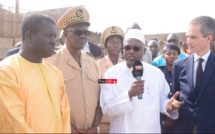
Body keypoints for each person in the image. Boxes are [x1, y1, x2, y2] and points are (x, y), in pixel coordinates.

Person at [100, 29, 184, 133]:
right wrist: (129, 95)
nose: (131, 51)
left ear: (144, 51)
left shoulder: (156, 73)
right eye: (127, 48)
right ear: (123, 50)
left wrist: (168, 106)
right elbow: (106, 108)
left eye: (136, 48)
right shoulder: (111, 74)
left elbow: (162, 100)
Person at [0, 13, 71, 133]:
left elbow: (65, 115)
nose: (54, 42)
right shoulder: (7, 72)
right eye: (48, 36)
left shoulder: (55, 73)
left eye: (54, 36)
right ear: (29, 37)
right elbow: (14, 124)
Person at [46, 6, 102, 133]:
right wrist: (69, 128)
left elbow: (100, 100)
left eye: (86, 32)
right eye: (77, 32)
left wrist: (95, 127)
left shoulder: (93, 63)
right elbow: (47, 104)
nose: (83, 36)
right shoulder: (50, 62)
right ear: (65, 34)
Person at [172, 16, 215, 133]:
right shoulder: (179, 65)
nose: (188, 42)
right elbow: (175, 96)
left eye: (193, 37)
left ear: (208, 38)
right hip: (184, 128)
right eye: (187, 36)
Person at [97, 26, 124, 133]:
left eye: (118, 42)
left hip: (122, 115)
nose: (115, 45)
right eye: (112, 42)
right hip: (104, 118)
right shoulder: (97, 63)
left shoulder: (126, 64)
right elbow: (98, 82)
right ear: (105, 45)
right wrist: (115, 81)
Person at [158, 43, 180, 133]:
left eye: (174, 54)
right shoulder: (158, 71)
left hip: (179, 115)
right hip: (162, 115)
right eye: (168, 53)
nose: (172, 56)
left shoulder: (183, 71)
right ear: (163, 56)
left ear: (178, 55)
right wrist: (168, 115)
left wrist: (173, 115)